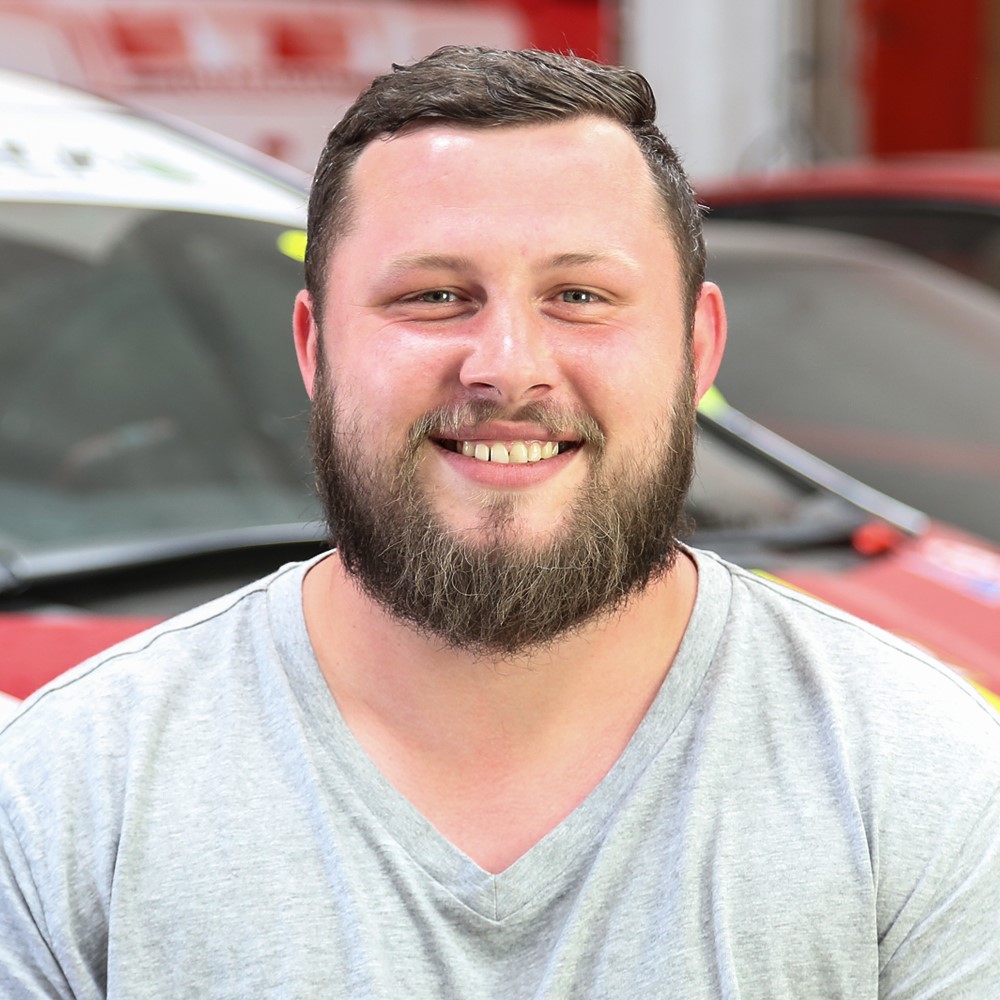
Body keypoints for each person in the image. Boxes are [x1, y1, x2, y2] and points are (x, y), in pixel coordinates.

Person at [1, 45, 998, 999]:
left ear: (697, 350)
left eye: (580, 295)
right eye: (434, 296)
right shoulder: (70, 791)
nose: (507, 367)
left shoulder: (918, 770)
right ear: (314, 349)